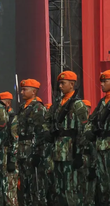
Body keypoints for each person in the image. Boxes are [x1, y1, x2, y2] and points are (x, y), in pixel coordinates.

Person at [44, 71, 88, 206]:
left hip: (71, 151)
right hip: (57, 151)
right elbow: (47, 121)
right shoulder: (57, 103)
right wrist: (47, 133)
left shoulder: (78, 104)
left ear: (72, 84)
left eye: (63, 83)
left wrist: (81, 153)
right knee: (59, 188)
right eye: (59, 83)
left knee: (71, 188)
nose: (60, 86)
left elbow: (84, 130)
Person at [17, 79, 46, 206]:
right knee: (24, 184)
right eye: (22, 89)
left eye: (25, 89)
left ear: (34, 91)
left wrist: (38, 153)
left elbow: (40, 132)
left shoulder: (38, 107)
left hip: (32, 148)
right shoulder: (22, 108)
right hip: (22, 149)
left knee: (35, 185)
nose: (22, 92)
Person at [85, 69, 110, 204]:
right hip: (101, 146)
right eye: (101, 81)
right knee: (104, 184)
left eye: (105, 81)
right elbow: (91, 120)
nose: (102, 84)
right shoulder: (102, 103)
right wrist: (89, 131)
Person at [0, 92, 18, 206]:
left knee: (10, 191)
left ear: (8, 103)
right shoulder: (2, 118)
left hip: (9, 156)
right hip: (2, 156)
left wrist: (12, 159)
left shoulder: (12, 118)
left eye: (2, 103)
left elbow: (15, 140)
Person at [81, 99, 96, 206]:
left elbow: (94, 148)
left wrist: (93, 167)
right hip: (79, 164)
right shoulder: (76, 124)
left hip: (89, 162)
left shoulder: (92, 125)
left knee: (90, 194)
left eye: (87, 108)